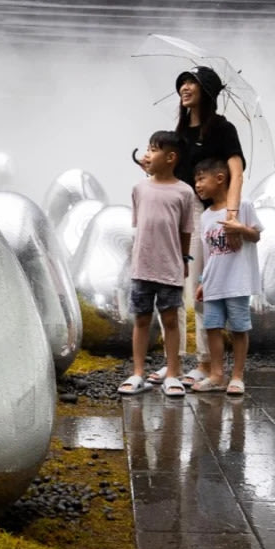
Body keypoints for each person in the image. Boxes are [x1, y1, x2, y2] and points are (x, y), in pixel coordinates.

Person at [145, 65, 247, 389]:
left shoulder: (222, 129)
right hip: (174, 212)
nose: (185, 87)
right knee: (169, 285)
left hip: (205, 215)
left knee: (204, 289)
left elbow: (236, 172)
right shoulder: (179, 131)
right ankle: (172, 362)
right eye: (183, 82)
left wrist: (230, 214)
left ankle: (204, 362)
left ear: (207, 91)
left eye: (192, 82)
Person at [119, 131, 195, 397]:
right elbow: (139, 226)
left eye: (154, 149)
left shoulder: (184, 192)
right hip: (142, 266)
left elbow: (185, 231)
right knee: (141, 319)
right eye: (148, 148)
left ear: (171, 157)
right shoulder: (139, 188)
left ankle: (173, 372)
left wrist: (185, 259)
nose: (147, 154)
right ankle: (138, 372)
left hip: (170, 266)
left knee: (170, 319)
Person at [189, 158, 263, 395]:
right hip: (214, 282)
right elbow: (210, 253)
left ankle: (238, 376)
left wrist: (240, 229)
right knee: (212, 327)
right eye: (195, 181)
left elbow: (256, 236)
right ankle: (217, 374)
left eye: (201, 179)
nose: (197, 185)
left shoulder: (244, 205)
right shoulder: (206, 215)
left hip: (237, 282)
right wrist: (202, 281)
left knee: (239, 329)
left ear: (220, 178)